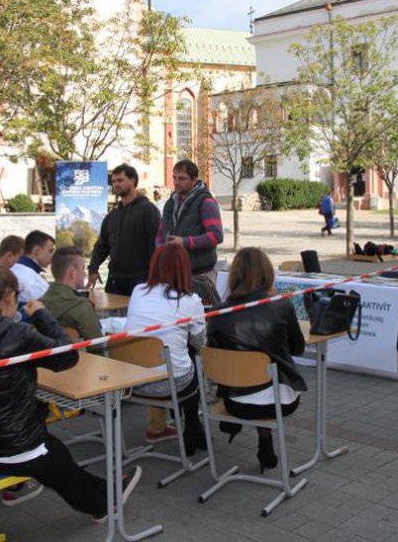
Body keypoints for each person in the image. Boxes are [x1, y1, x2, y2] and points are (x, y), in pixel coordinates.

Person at [0, 262, 141, 518]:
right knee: (56, 458)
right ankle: (106, 503)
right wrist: (42, 316)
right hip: (14, 447)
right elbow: (67, 357)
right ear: (11, 297)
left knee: (54, 453)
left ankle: (95, 493)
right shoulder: (15, 333)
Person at [206, 247, 305, 473]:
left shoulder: (218, 312)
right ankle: (265, 443)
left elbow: (215, 357)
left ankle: (259, 439)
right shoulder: (282, 305)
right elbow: (298, 349)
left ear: (234, 275)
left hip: (236, 402)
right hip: (279, 403)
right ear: (267, 274)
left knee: (254, 376)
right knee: (268, 376)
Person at [124, 244, 206, 454]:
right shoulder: (190, 301)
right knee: (192, 365)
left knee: (174, 359)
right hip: (172, 384)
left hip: (133, 382)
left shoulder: (137, 292)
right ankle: (192, 425)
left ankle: (178, 426)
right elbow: (200, 344)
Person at [88, 164, 161, 296]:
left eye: (120, 180)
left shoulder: (148, 210)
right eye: (114, 181)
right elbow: (101, 246)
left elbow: (156, 245)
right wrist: (93, 269)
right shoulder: (112, 216)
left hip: (142, 280)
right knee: (113, 316)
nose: (116, 184)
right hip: (115, 280)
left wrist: (155, 277)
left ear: (132, 181)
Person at [155, 160, 224, 283]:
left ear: (194, 180)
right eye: (174, 177)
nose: (176, 182)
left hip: (200, 273)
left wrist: (185, 242)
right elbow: (161, 232)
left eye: (182, 178)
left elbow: (216, 236)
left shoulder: (206, 202)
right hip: (173, 272)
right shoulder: (170, 203)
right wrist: (161, 250)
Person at [41, 247, 102, 342]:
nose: (85, 274)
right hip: (78, 356)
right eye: (83, 268)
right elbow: (98, 346)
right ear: (72, 273)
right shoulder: (81, 307)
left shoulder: (39, 303)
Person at [12, 230, 55, 308]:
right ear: (37, 251)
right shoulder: (34, 282)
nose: (52, 256)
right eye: (50, 251)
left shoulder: (11, 268)